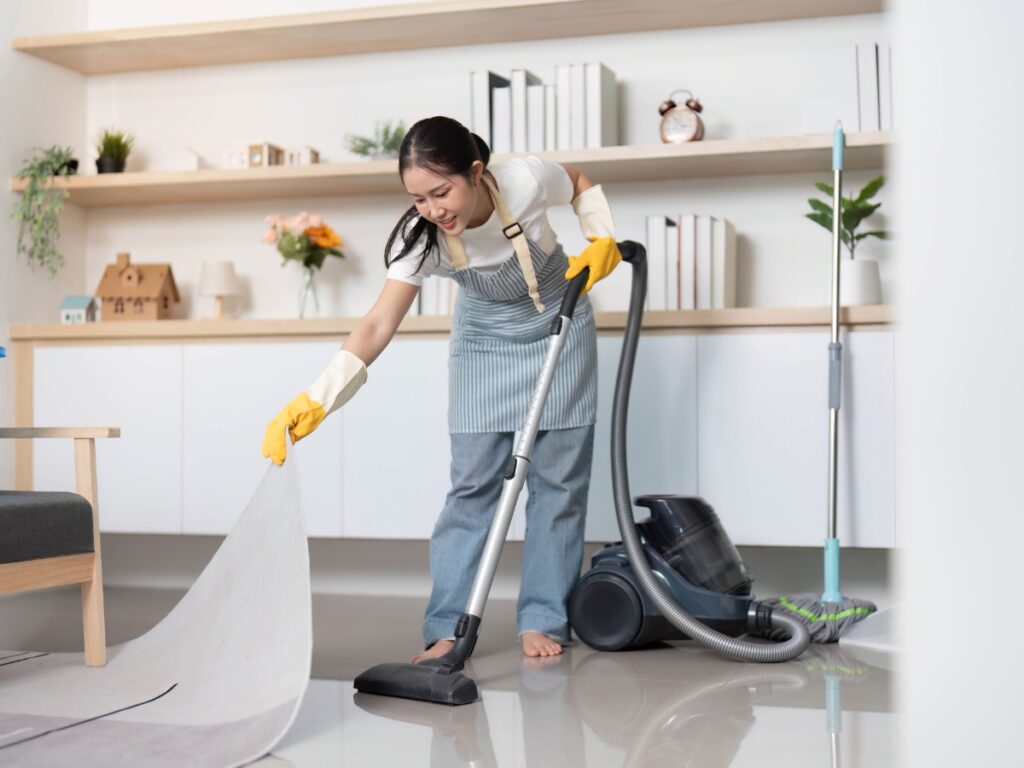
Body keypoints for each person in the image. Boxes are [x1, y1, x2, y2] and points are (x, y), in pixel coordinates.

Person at [263, 115, 621, 659]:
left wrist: (601, 237)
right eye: (418, 198)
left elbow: (576, 180)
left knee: (559, 488)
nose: (433, 209)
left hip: (559, 329)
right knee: (472, 489)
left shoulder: (524, 181)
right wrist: (318, 397)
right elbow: (378, 323)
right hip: (483, 345)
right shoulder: (421, 237)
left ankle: (544, 617)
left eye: (441, 191)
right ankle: (445, 628)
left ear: (476, 173)